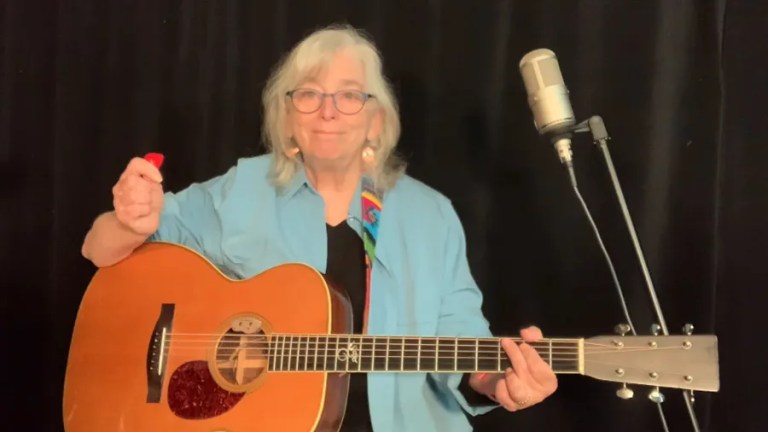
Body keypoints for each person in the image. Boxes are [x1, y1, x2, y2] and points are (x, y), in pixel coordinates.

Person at [81, 24, 557, 431]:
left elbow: (465, 343)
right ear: (287, 118)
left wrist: (502, 381)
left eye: (349, 95)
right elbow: (99, 251)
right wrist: (128, 222)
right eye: (308, 94)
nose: (327, 111)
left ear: (376, 122)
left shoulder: (430, 215)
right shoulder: (240, 189)